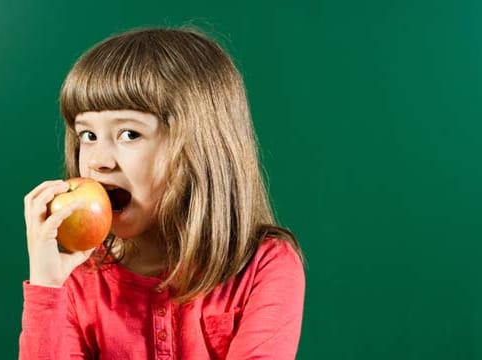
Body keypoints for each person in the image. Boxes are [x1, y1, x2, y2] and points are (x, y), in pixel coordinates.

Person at [19, 26, 305, 360]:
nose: (98, 161)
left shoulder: (264, 265)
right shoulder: (76, 277)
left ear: (197, 146)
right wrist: (46, 287)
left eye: (128, 134)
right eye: (88, 135)